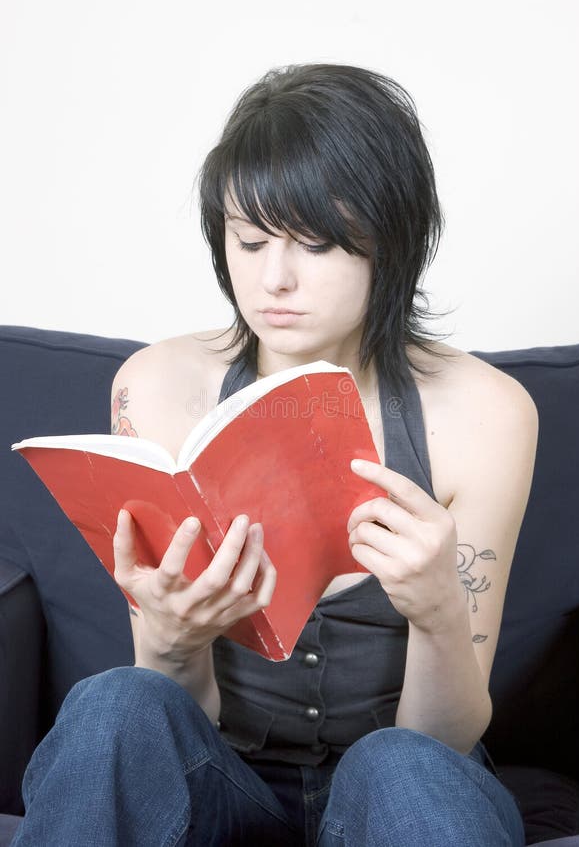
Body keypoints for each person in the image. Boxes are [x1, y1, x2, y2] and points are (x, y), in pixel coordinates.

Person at [12, 63, 537, 846]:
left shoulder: (483, 415)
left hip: (396, 791)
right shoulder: (156, 389)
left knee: (402, 768)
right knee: (113, 704)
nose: (273, 280)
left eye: (317, 245)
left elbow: (446, 741)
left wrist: (435, 610)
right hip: (222, 782)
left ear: (390, 244)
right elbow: (166, 720)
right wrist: (172, 638)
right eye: (249, 241)